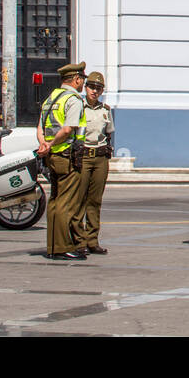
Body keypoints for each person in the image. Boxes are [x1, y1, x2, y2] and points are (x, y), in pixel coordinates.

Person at [36, 61, 89, 261]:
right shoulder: (73, 100)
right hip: (67, 155)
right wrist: (51, 144)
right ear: (76, 79)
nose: (83, 83)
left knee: (55, 201)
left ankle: (52, 245)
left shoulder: (50, 99)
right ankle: (62, 247)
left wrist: (44, 144)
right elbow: (68, 129)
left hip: (52, 157)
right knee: (66, 202)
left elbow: (40, 128)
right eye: (82, 79)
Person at [71, 71, 113, 255]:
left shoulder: (105, 110)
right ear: (85, 88)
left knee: (95, 200)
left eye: (98, 88)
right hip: (84, 155)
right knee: (79, 199)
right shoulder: (79, 107)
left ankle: (92, 240)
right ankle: (79, 241)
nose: (94, 91)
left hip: (100, 156)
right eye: (91, 87)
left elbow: (109, 132)